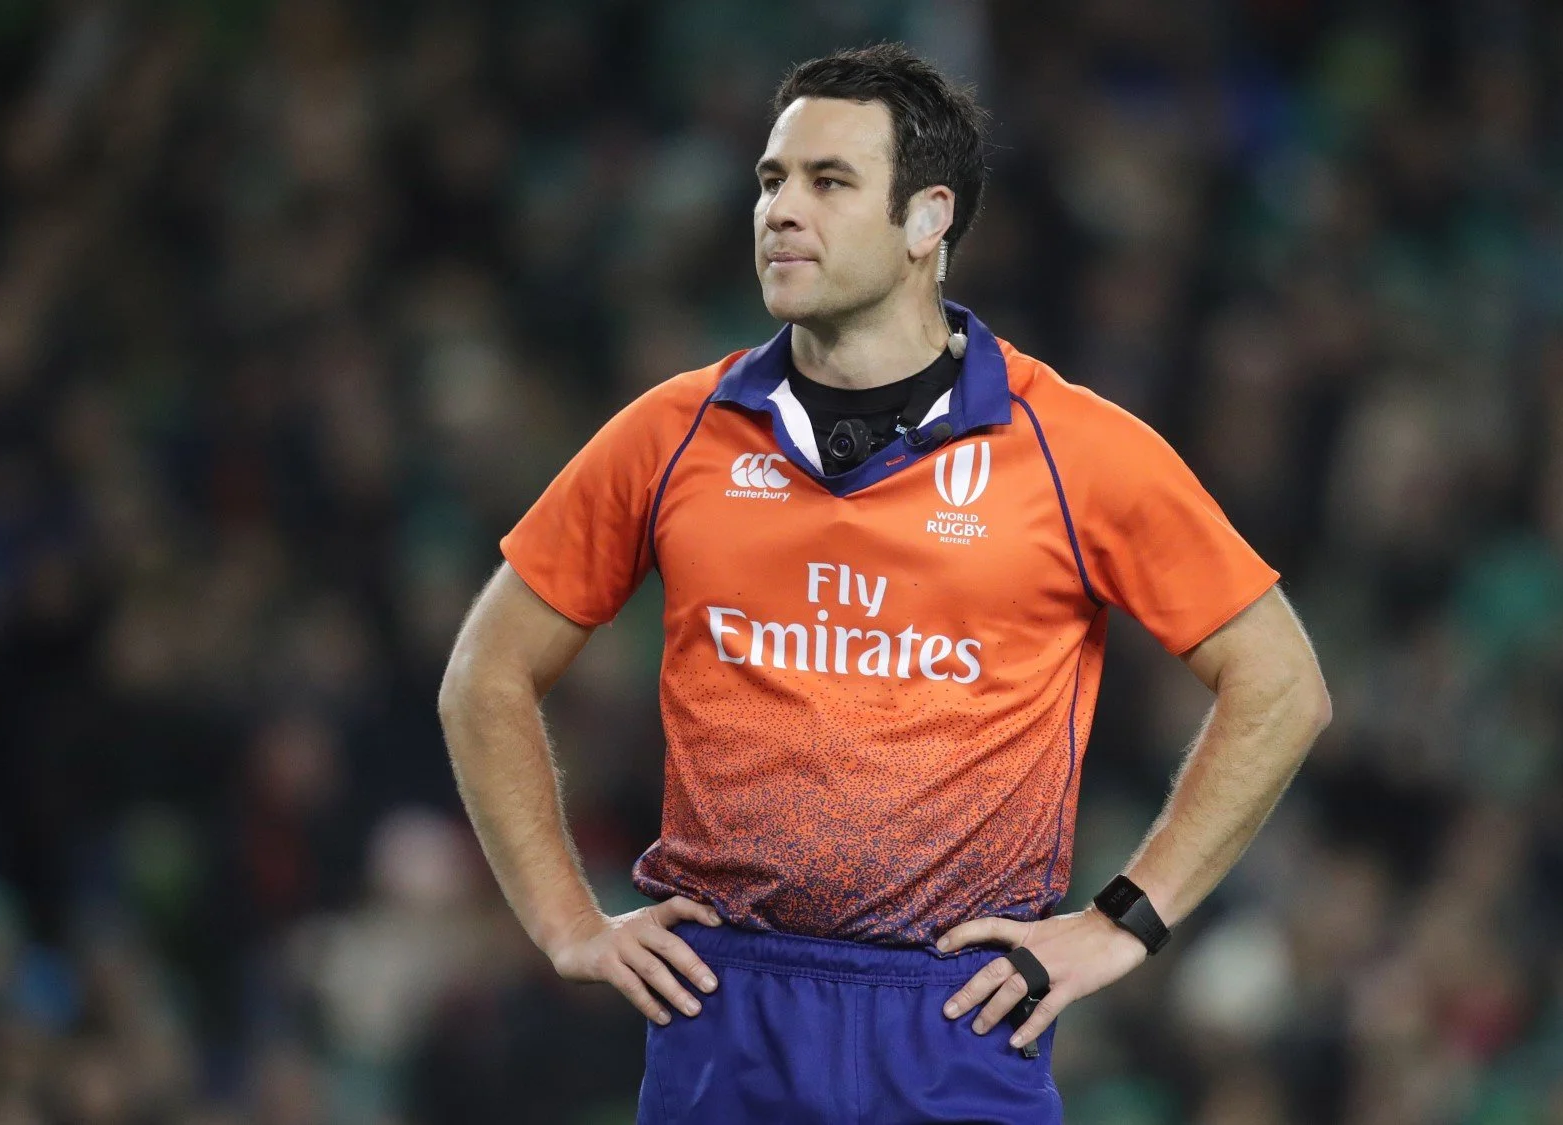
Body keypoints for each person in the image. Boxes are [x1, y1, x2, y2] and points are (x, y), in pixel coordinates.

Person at [438, 42, 1331, 1124]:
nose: (779, 210)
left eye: (827, 182)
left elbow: (1280, 684)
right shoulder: (670, 436)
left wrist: (1121, 920)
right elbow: (484, 675)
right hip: (726, 1007)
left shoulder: (1074, 448)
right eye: (770, 180)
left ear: (926, 222)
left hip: (957, 1016)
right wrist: (565, 921)